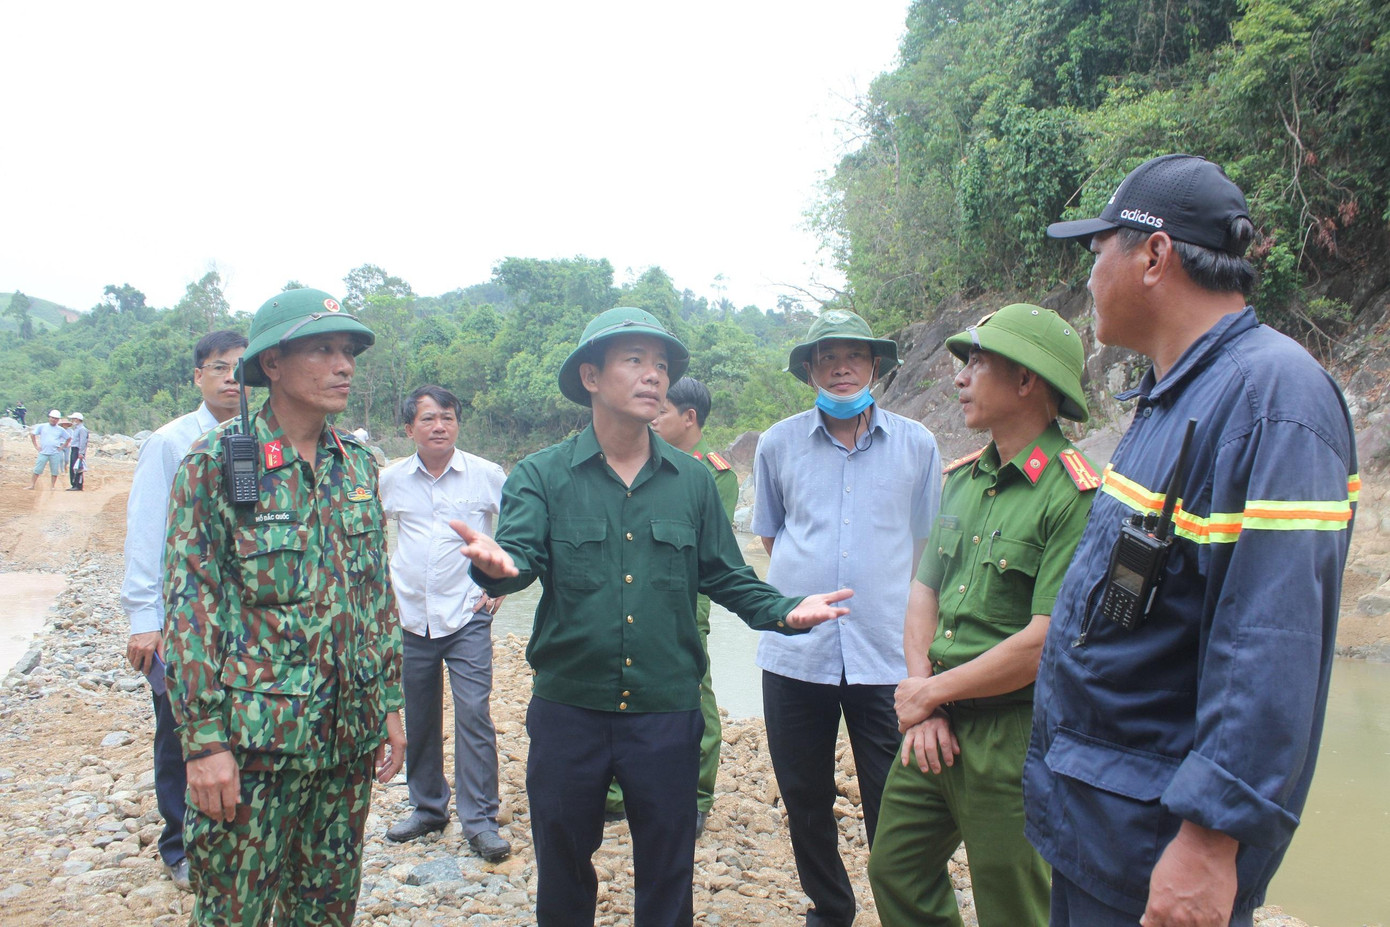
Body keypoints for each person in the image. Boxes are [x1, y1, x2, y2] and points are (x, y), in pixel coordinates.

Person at [1025, 154, 1358, 927]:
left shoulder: (1273, 398)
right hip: (1104, 823)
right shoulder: (1173, 393)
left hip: (1157, 845)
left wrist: (1211, 840)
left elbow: (1270, 640)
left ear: (1154, 254)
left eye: (1096, 249)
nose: (1087, 274)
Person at [454, 306, 854, 927]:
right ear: (590, 376)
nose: (653, 377)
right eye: (634, 361)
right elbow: (521, 558)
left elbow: (724, 575)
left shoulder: (692, 481)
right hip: (569, 710)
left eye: (661, 365)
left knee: (669, 871)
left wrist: (783, 610)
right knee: (563, 866)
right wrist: (494, 566)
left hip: (667, 712)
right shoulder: (542, 474)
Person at [163, 288, 405, 926]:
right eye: (323, 349)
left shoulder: (357, 465)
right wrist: (202, 743)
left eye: (348, 351)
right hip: (253, 747)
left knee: (327, 911)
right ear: (271, 364)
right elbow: (190, 608)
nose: (343, 364)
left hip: (345, 742)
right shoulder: (216, 463)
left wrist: (388, 704)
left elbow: (375, 595)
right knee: (233, 913)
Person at [867, 304, 1098, 927]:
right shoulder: (964, 481)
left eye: (976, 362)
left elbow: (1042, 643)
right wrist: (926, 705)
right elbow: (923, 595)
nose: (959, 378)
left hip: (1013, 736)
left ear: (1026, 381)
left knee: (1013, 903)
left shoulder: (1074, 495)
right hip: (935, 719)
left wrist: (925, 694)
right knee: (896, 869)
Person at [752, 309, 940, 927]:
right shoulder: (778, 442)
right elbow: (772, 536)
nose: (841, 367)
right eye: (827, 357)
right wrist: (802, 595)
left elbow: (928, 547)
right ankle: (829, 909)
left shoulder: (918, 444)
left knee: (895, 795)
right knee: (805, 795)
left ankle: (901, 908)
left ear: (876, 368)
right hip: (795, 655)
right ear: (809, 369)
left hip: (885, 652)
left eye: (854, 356)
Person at [121, 329, 248, 891]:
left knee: (235, 730)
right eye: (218, 368)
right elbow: (146, 532)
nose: (230, 379)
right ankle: (180, 844)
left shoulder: (258, 441)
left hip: (243, 623)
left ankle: (233, 834)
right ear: (198, 377)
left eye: (240, 370)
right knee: (180, 731)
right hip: (181, 620)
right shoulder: (173, 442)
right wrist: (143, 621)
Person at [378, 385, 512, 862]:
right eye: (429, 418)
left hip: (466, 615)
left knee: (474, 713)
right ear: (409, 427)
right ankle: (429, 807)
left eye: (448, 418)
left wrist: (498, 585)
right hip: (410, 617)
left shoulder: (486, 475)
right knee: (420, 714)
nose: (440, 426)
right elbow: (370, 534)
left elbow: (520, 527)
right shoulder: (390, 479)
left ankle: (480, 820)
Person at [604, 376, 738, 833]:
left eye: (662, 412)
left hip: (682, 603)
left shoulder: (712, 474)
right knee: (622, 681)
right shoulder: (637, 464)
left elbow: (709, 553)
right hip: (631, 595)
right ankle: (617, 792)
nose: (653, 419)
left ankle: (698, 794)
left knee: (694, 692)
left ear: (689, 418)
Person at [28, 409, 69, 490]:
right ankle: (32, 485)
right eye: (52, 418)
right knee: (37, 469)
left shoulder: (60, 429)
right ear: (49, 418)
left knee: (54, 471)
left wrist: (62, 447)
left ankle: (52, 486)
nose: (53, 420)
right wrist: (36, 446)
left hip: (54, 452)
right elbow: (33, 434)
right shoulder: (42, 426)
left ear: (58, 420)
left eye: (55, 418)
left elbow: (68, 438)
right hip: (43, 452)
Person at [66, 412, 89, 491]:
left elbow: (83, 442)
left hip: (77, 449)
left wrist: (81, 452)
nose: (72, 420)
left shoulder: (82, 429)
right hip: (74, 449)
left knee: (78, 467)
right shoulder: (77, 429)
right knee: (74, 467)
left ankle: (78, 485)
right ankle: (74, 484)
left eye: (73, 419)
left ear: (78, 419)